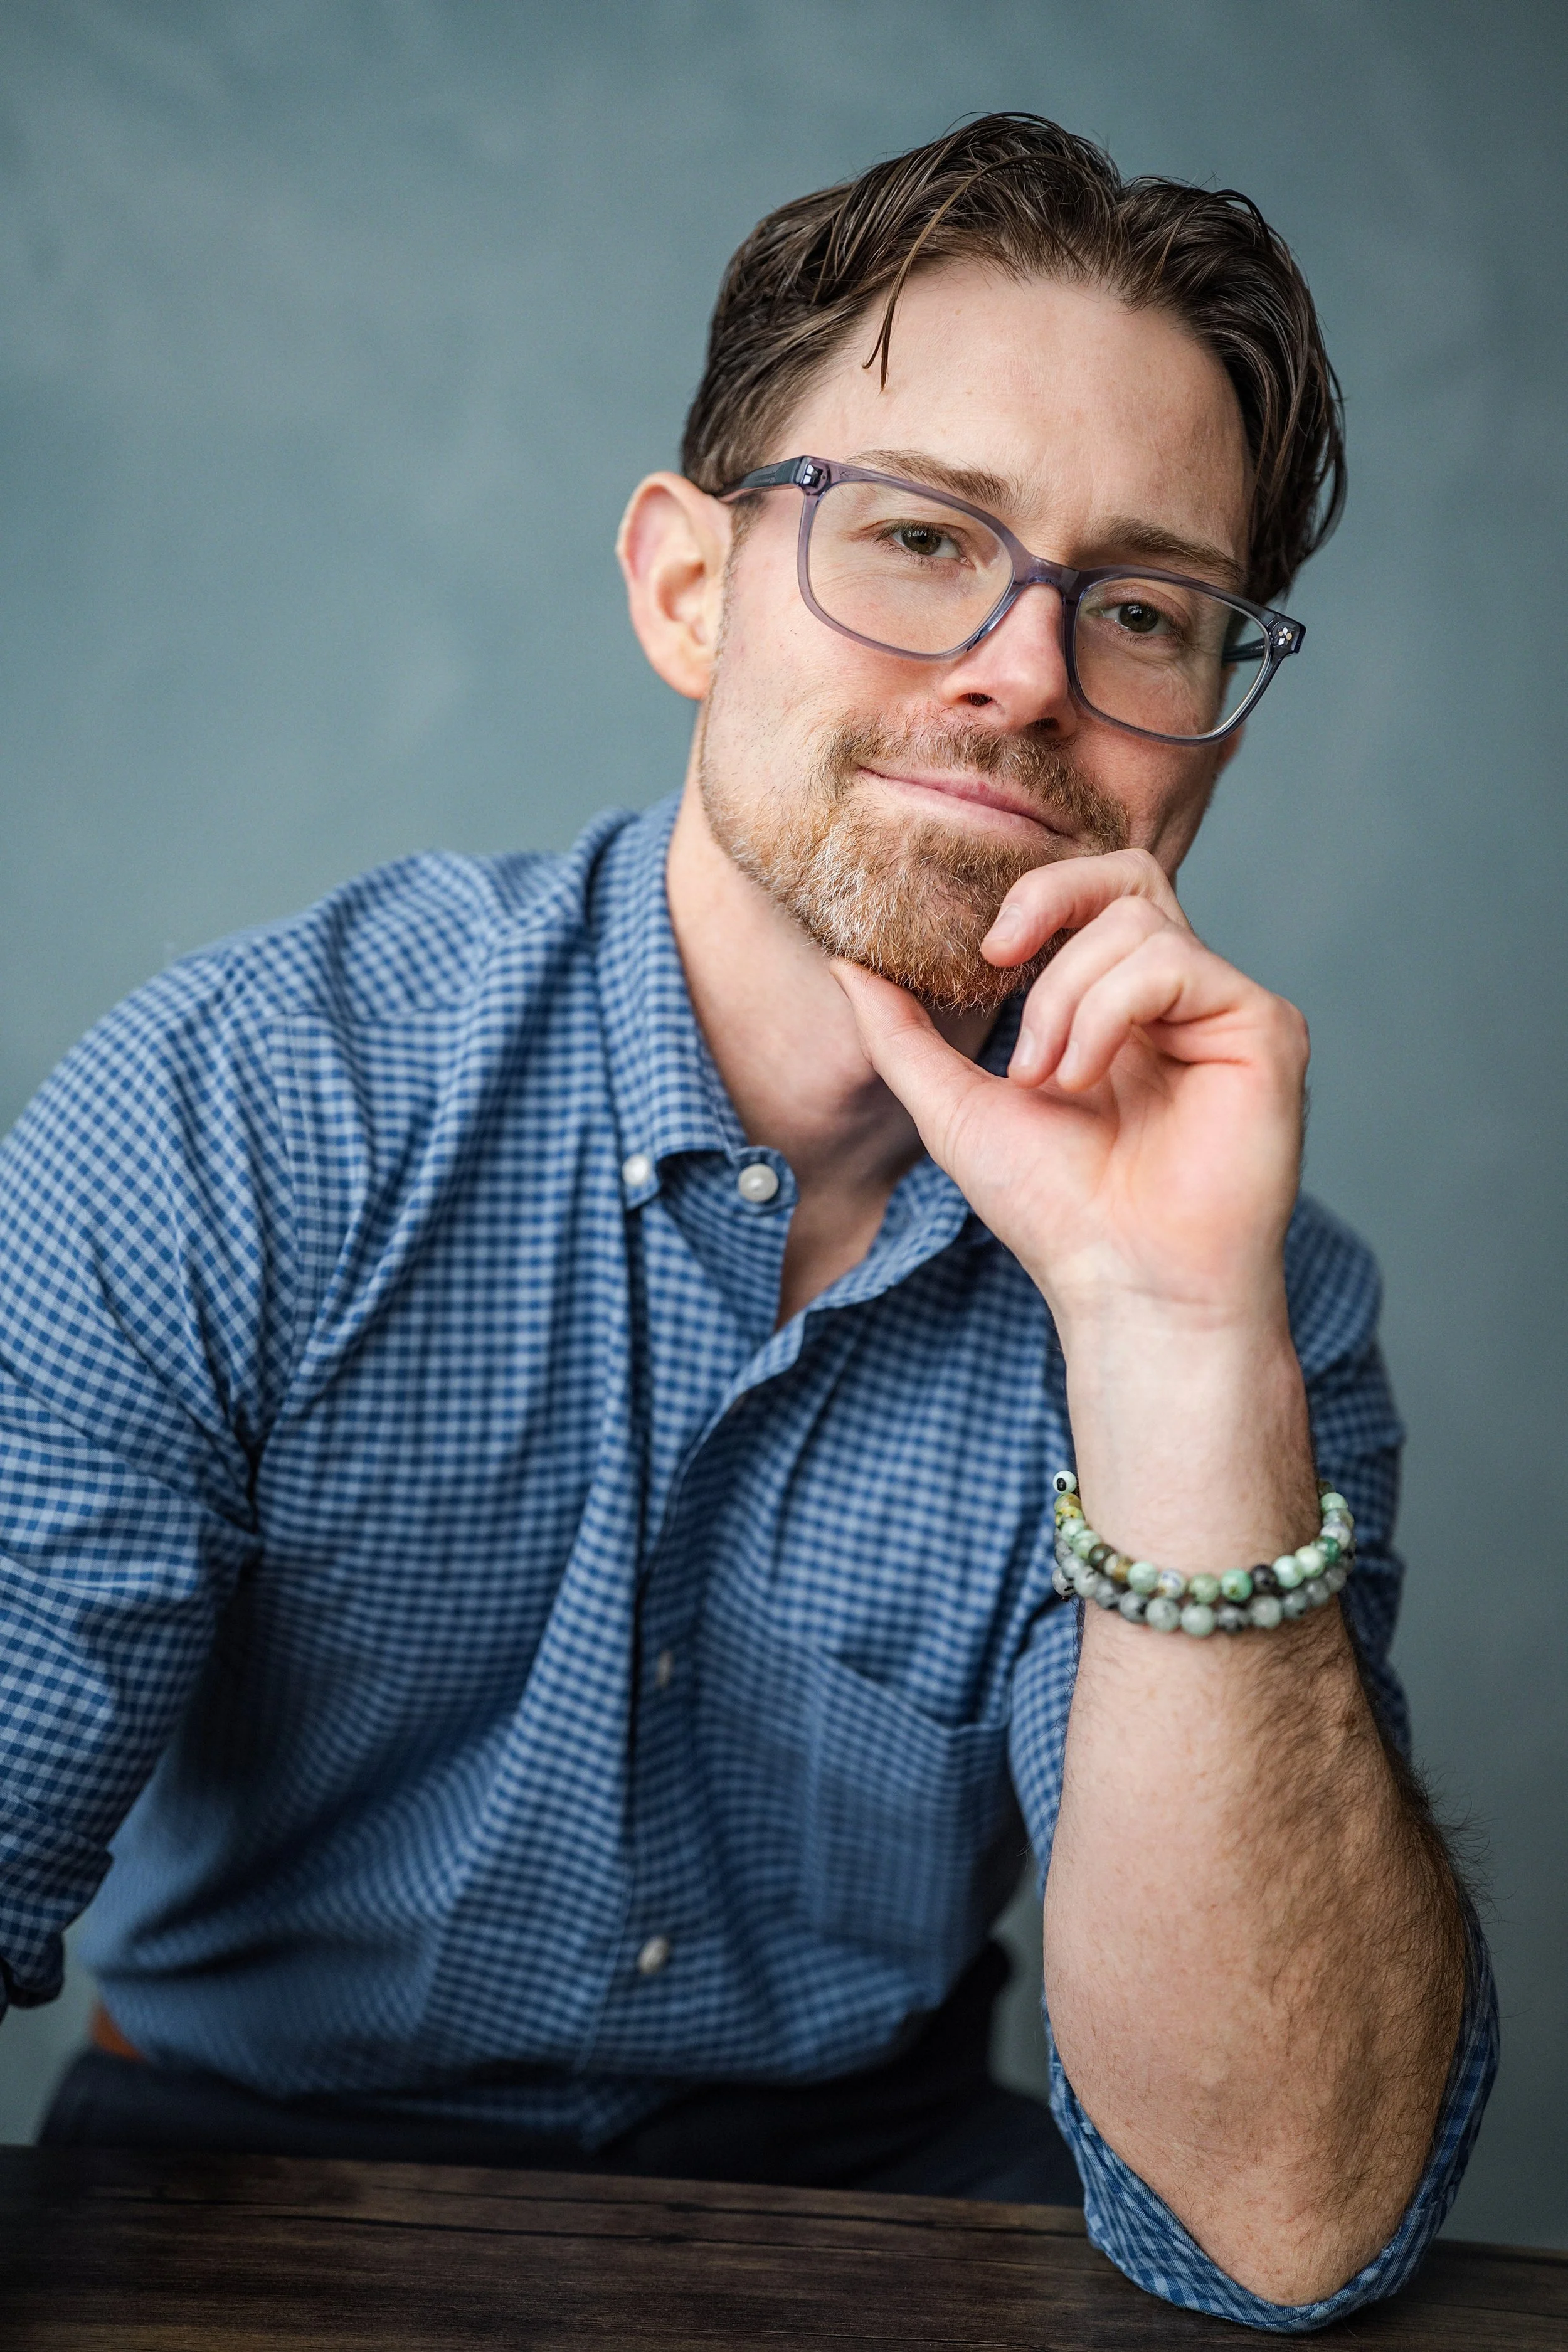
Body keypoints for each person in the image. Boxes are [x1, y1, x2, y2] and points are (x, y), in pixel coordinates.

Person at [0, 114, 1493, 2328]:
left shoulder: (1255, 1301)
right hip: (233, 2178)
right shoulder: (237, 1116)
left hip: (894, 2216)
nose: (1020, 669)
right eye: (917, 537)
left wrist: (1175, 1347)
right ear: (686, 586)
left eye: (1144, 607)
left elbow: (1285, 2216)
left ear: (1204, 744)